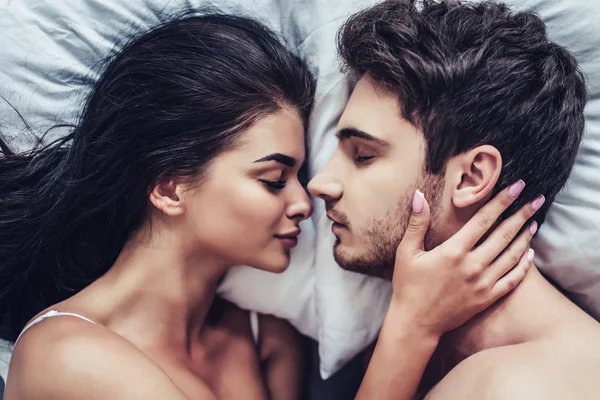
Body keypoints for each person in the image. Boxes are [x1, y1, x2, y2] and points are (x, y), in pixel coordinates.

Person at [1, 8, 533, 400]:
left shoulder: (256, 334)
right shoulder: (69, 355)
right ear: (168, 188)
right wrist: (410, 328)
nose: (306, 201)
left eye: (298, 175)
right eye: (274, 179)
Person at [308, 0, 600, 399]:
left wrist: (410, 327)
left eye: (363, 156)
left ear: (472, 177)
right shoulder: (412, 342)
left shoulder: (522, 386)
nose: (320, 183)